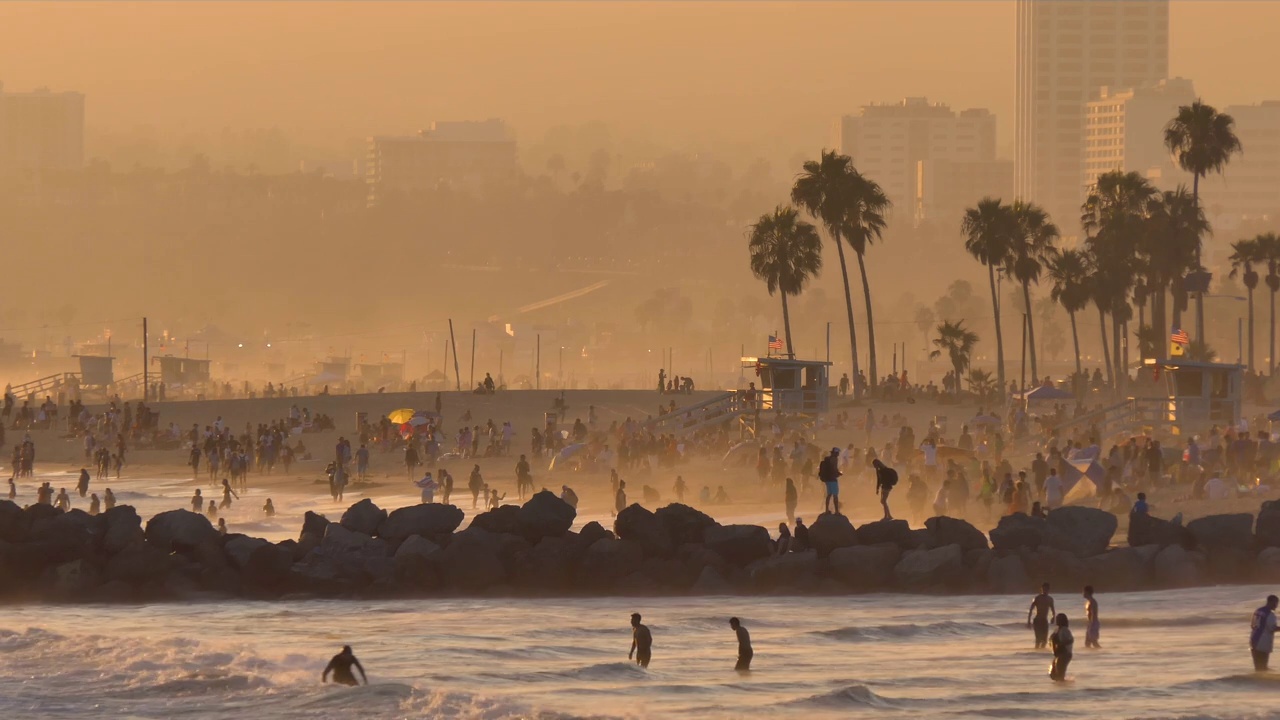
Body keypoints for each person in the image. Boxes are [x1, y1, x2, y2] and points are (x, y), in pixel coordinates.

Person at [1250, 594, 1279, 671]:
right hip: (1263, 642)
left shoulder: (1258, 611)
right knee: (1263, 667)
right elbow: (1272, 628)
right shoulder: (1270, 614)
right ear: (1271, 602)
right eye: (1276, 603)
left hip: (1253, 640)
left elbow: (1252, 625)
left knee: (1258, 668)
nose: (1276, 606)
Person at [1028, 583, 1057, 649]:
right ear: (1041, 589)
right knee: (1038, 640)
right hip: (1037, 620)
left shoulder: (1050, 599)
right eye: (1043, 589)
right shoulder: (1037, 598)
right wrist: (1029, 621)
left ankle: (1041, 654)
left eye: (1046, 589)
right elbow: (1031, 610)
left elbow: (1053, 610)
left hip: (1044, 620)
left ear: (1048, 590)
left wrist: (1053, 617)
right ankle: (1036, 652)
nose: (1044, 590)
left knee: (1044, 640)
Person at [1049, 613, 1074, 681]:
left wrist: (1061, 644)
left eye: (1058, 619)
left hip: (1065, 654)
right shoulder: (1057, 630)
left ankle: (1062, 687)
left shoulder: (1065, 630)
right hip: (1058, 654)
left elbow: (1071, 640)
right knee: (1052, 674)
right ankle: (1062, 685)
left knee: (1060, 674)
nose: (1056, 620)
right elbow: (1052, 639)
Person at [819, 447, 842, 515]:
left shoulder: (828, 459)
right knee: (835, 495)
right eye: (837, 453)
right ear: (835, 453)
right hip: (832, 479)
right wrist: (838, 474)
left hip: (827, 479)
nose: (838, 454)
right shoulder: (834, 459)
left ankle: (826, 510)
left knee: (829, 495)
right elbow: (834, 469)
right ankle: (836, 511)